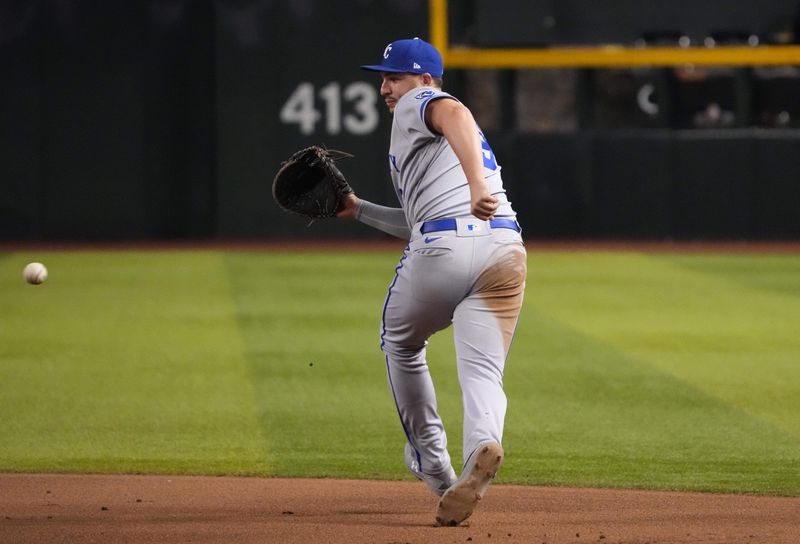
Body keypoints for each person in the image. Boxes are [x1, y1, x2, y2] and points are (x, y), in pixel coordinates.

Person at [336, 37, 527, 526]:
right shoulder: (423, 135)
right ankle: (482, 444)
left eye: (393, 77)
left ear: (423, 78)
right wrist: (357, 211)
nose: (384, 88)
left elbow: (454, 113)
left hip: (445, 248)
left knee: (400, 343)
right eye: (382, 78)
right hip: (504, 249)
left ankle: (434, 463)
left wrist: (478, 188)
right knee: (483, 370)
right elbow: (419, 219)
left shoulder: (420, 102)